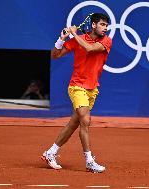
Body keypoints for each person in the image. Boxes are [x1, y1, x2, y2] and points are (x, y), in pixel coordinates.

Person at [41, 13, 112, 173]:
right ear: (93, 25)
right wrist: (62, 39)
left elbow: (89, 48)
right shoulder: (76, 40)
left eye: (106, 25)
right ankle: (89, 161)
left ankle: (50, 152)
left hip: (92, 89)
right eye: (102, 24)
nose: (105, 28)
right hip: (77, 86)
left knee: (74, 122)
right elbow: (55, 55)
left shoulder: (106, 41)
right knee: (85, 120)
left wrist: (74, 33)